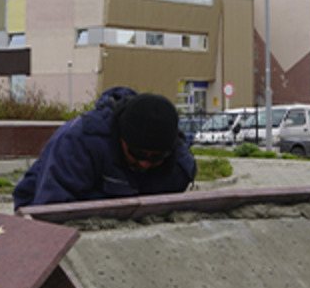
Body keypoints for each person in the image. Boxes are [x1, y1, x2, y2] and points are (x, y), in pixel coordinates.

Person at [12, 87, 197, 210]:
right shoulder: (80, 141)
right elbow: (50, 209)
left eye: (156, 157)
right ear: (120, 138)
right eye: (137, 154)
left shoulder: (179, 164)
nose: (145, 163)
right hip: (43, 201)